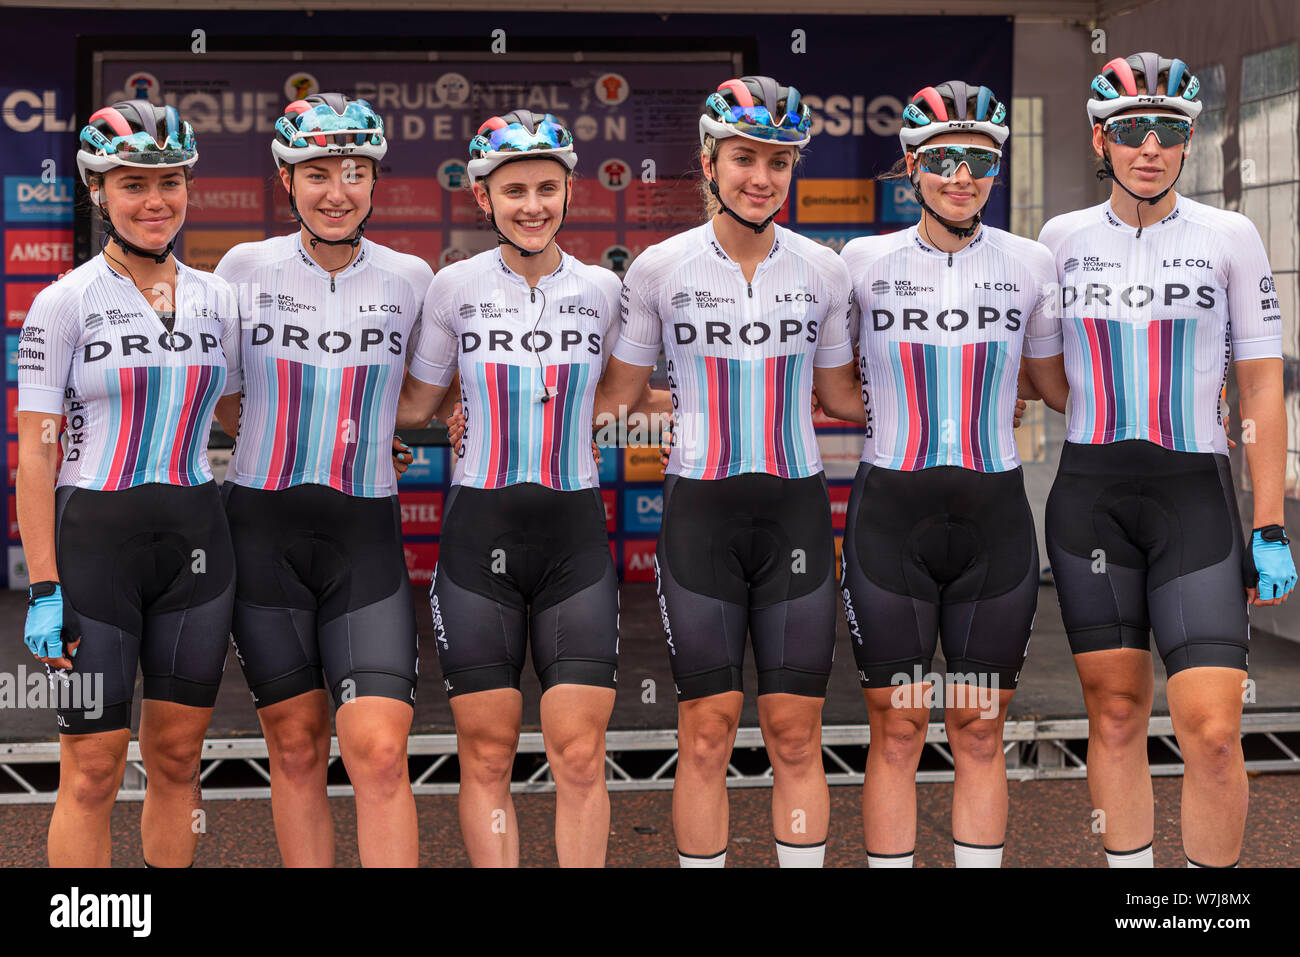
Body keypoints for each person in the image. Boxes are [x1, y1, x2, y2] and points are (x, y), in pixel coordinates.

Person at [595, 76, 863, 868]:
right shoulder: (658, 268)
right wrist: (482, 415)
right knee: (705, 731)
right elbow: (614, 397)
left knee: (794, 731)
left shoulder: (826, 269)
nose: (761, 177)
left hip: (798, 515)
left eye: (779, 162)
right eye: (745, 157)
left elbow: (844, 394)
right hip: (700, 514)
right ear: (709, 160)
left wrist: (980, 401)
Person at [1037, 52, 1295, 868]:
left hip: (1195, 498)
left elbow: (1259, 389)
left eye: (1168, 131)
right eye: (1130, 131)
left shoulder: (1231, 235)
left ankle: (1203, 904)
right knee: (1114, 717)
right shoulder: (1059, 239)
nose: (1149, 146)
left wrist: (1270, 523)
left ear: (1189, 142)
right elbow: (1046, 376)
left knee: (1215, 732)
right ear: (1098, 141)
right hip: (1091, 495)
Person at [397, 110, 665, 867]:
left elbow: (627, 399)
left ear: (569, 191)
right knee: (486, 758)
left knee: (579, 754)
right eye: (513, 190)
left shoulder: (606, 290)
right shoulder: (453, 287)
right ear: (483, 198)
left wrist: (703, 409)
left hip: (573, 541)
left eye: (547, 188)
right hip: (477, 538)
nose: (532, 205)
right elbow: (415, 402)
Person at [839, 82, 1065, 868]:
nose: (960, 174)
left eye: (979, 159)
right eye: (942, 159)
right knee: (898, 728)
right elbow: (806, 373)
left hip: (990, 530)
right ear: (912, 166)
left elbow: (1053, 380)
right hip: (891, 526)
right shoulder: (862, 260)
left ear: (995, 167)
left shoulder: (1030, 262)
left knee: (976, 727)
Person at [17, 100, 240, 867]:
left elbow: (251, 414)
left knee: (178, 761)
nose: (155, 200)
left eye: (170, 181)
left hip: (196, 547)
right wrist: (44, 586)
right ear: (98, 192)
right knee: (91, 768)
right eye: (133, 183)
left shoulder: (220, 298)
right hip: (90, 553)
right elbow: (35, 456)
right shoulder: (63, 301)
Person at [212, 93, 431, 867]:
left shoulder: (411, 276)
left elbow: (423, 396)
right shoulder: (243, 266)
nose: (337, 190)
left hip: (362, 535)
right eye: (317, 173)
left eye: (355, 172)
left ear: (376, 180)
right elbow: (229, 394)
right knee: (297, 747)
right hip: (259, 526)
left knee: (376, 749)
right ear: (286, 178)